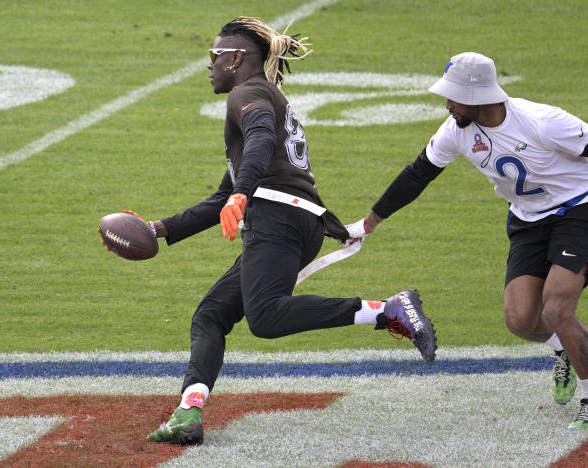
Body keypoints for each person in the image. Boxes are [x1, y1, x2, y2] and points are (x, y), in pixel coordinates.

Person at [346, 52, 588, 430]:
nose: (447, 104)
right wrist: (368, 223)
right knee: (521, 321)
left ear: (479, 96)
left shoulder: (541, 122)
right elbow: (418, 174)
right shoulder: (456, 130)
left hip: (578, 212)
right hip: (527, 221)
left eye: (454, 96)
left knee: (557, 308)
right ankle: (565, 352)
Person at [143, 17, 437, 445]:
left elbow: (259, 141)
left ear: (236, 58)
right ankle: (189, 410)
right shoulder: (267, 94)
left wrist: (242, 196)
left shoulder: (248, 94)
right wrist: (159, 229)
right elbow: (223, 194)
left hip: (276, 219)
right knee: (211, 314)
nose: (209, 65)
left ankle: (388, 310)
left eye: (214, 56)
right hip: (297, 218)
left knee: (265, 318)